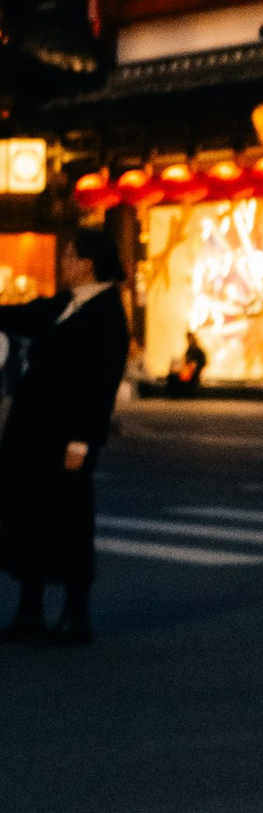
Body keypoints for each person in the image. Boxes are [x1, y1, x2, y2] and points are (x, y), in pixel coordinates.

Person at [1, 230, 132, 648]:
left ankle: (76, 615)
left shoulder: (108, 313)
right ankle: (30, 610)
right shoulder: (64, 303)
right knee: (26, 515)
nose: (64, 263)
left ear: (88, 263)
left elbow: (101, 384)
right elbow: (22, 316)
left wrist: (82, 441)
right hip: (32, 429)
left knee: (70, 521)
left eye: (70, 256)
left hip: (66, 434)